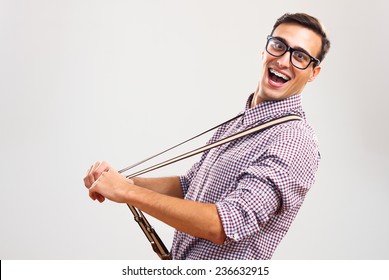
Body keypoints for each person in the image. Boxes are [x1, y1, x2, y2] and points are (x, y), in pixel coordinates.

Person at [83, 12, 331, 260]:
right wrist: (121, 181)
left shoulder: (294, 141)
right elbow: (190, 186)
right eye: (279, 46)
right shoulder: (239, 124)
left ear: (313, 73)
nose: (283, 61)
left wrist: (127, 193)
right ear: (264, 50)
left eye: (300, 56)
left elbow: (223, 224)